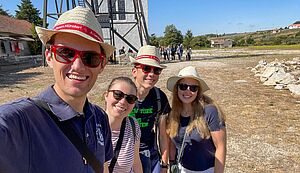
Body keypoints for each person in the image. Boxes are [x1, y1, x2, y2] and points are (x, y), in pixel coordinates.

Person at [0, 6, 115, 173]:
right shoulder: (21, 122)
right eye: (66, 53)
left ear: (102, 65)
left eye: (90, 58)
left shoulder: (99, 118)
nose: (77, 66)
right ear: (49, 57)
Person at [164, 66, 227, 173]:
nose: (188, 91)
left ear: (198, 91)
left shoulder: (210, 111)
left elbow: (221, 147)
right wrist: (171, 164)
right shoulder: (173, 113)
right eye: (183, 86)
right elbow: (173, 144)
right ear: (177, 88)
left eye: (193, 88)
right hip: (182, 169)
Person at [129, 45, 171, 173]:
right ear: (134, 71)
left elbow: (163, 135)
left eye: (156, 70)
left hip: (149, 156)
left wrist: (164, 165)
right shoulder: (122, 94)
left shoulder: (159, 97)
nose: (151, 74)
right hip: (125, 157)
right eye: (146, 68)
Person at [104, 77, 143, 173]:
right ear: (106, 95)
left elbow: (136, 163)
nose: (122, 102)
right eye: (117, 94)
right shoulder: (93, 126)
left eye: (130, 99)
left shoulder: (133, 126)